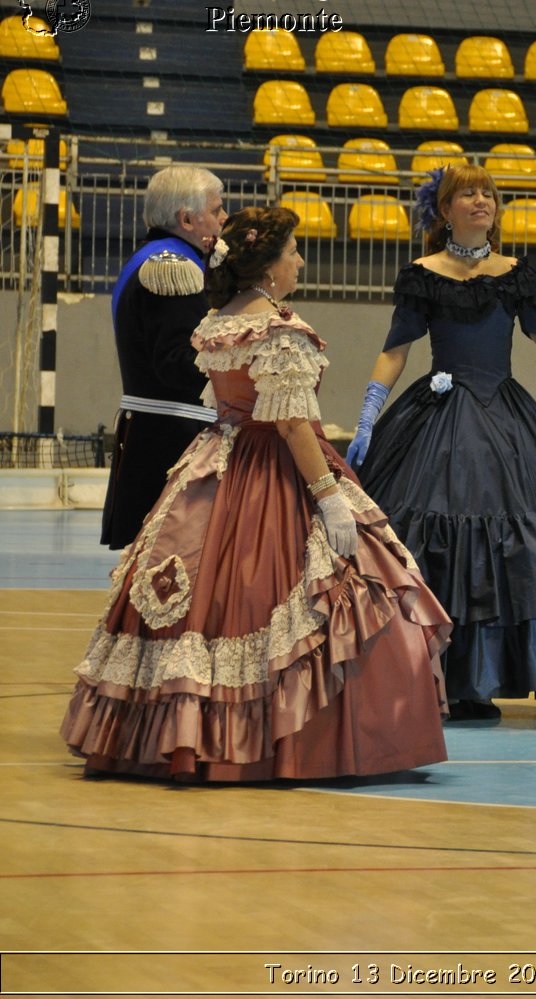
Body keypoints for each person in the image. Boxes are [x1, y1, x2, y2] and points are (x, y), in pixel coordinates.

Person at [61, 206, 451, 780]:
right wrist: (328, 496)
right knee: (321, 591)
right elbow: (293, 425)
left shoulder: (219, 321)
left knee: (197, 599)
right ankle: (293, 741)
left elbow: (222, 404)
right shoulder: (279, 330)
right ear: (269, 267)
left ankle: (175, 732)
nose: (300, 261)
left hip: (215, 461)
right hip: (270, 471)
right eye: (293, 251)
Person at [346, 165, 536, 721]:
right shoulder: (421, 274)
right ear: (445, 209)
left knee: (510, 538)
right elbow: (395, 349)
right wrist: (366, 419)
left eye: (487, 193)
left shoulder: (517, 275)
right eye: (467, 193)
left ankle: (478, 681)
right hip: (439, 416)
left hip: (504, 416)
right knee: (430, 531)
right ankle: (426, 672)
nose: (480, 200)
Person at [102, 165, 228, 550]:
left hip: (157, 431)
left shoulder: (156, 256)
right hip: (171, 438)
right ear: (187, 219)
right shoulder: (171, 266)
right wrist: (244, 371)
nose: (224, 219)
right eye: (217, 210)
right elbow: (177, 363)